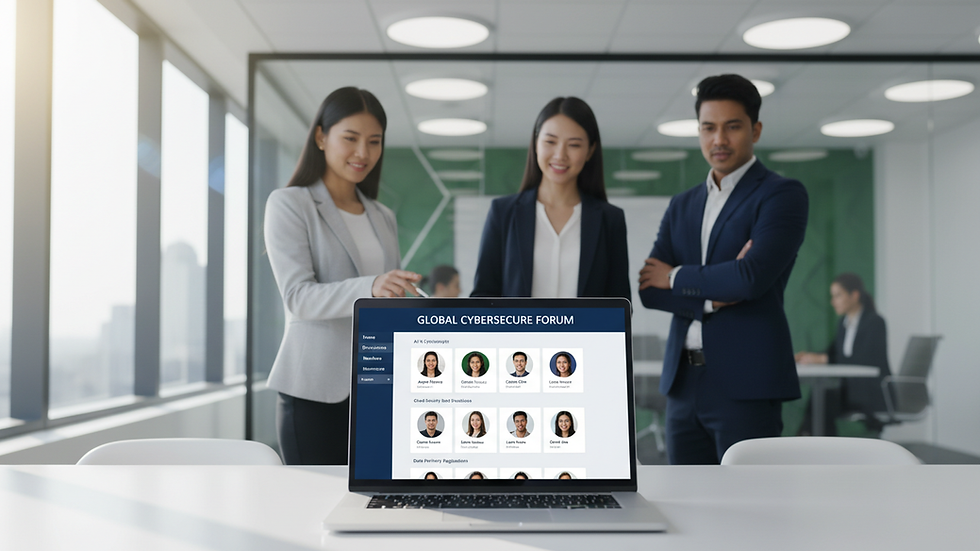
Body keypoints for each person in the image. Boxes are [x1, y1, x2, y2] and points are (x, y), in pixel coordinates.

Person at [638, 74, 809, 465]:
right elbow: (649, 288)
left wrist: (678, 276)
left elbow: (751, 278)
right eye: (708, 128)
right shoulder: (682, 204)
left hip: (746, 384)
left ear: (756, 129)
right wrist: (717, 293)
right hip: (683, 383)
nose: (719, 139)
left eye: (732, 127)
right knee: (686, 503)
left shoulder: (780, 195)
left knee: (751, 506)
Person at [264, 87, 422, 465]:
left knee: (372, 504)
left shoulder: (382, 215)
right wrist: (371, 286)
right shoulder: (290, 204)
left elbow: (389, 302)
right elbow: (298, 297)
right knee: (312, 507)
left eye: (374, 142)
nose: (363, 153)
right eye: (350, 138)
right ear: (321, 137)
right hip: (315, 391)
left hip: (377, 388)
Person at [471, 97, 630, 300]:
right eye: (550, 142)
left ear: (590, 150)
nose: (560, 155)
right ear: (536, 144)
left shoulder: (610, 220)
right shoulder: (503, 212)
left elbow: (619, 305)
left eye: (574, 145)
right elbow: (483, 296)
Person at [796, 273, 891, 434]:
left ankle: (814, 442)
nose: (833, 302)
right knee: (821, 396)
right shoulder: (843, 323)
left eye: (838, 296)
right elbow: (833, 353)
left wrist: (823, 359)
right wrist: (810, 357)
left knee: (823, 399)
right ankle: (816, 441)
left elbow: (864, 360)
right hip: (851, 392)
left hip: (871, 393)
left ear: (854, 295)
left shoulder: (875, 322)